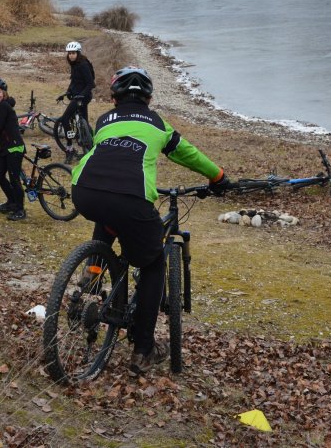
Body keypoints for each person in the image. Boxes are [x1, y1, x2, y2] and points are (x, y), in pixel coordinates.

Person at [70, 67, 230, 376]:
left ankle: (90, 281)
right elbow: (188, 154)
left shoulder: (104, 120)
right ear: (150, 98)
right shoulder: (157, 123)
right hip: (131, 198)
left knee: (106, 217)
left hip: (84, 190)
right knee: (154, 263)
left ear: (114, 98)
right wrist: (218, 176)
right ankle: (143, 348)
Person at [0, 78, 26, 221]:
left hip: (14, 147)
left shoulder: (2, 106)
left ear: (4, 93)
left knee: (14, 180)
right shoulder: (0, 105)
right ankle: (11, 202)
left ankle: (20, 210)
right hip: (5, 147)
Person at [57, 41, 94, 163]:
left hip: (82, 96)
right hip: (79, 95)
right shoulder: (75, 64)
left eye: (73, 53)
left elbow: (90, 83)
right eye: (69, 53)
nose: (71, 55)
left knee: (64, 119)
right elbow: (74, 81)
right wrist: (67, 92)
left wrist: (80, 95)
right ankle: (88, 145)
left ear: (78, 53)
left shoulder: (83, 65)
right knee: (84, 121)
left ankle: (69, 148)